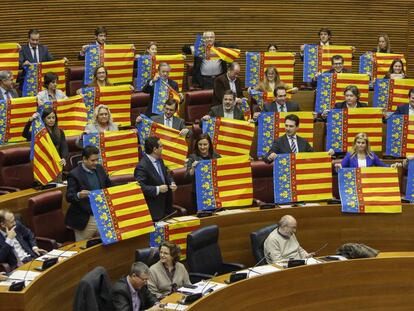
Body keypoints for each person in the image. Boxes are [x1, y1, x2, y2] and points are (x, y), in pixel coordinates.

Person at [65, 145, 112, 241]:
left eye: (97, 160)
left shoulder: (100, 169)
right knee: (84, 248)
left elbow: (109, 186)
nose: (95, 163)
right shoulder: (74, 174)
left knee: (106, 243)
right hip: (85, 217)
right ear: (84, 159)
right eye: (92, 160)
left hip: (101, 214)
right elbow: (69, 196)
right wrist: (79, 195)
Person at [134, 136, 177, 221]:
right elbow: (140, 187)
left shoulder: (160, 160)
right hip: (154, 211)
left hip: (167, 208)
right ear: (155, 149)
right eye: (161, 146)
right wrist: (157, 189)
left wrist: (172, 183)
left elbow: (166, 174)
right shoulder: (142, 166)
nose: (162, 148)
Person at [185, 133, 221, 208]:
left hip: (214, 192)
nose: (202, 147)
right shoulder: (192, 157)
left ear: (209, 145)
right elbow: (187, 178)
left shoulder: (216, 156)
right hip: (198, 194)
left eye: (205, 144)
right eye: (200, 144)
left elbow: (225, 169)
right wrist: (193, 169)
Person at [336, 133, 401, 169]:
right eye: (358, 142)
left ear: (366, 144)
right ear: (355, 143)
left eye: (363, 143)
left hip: (367, 184)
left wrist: (393, 165)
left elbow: (383, 166)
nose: (360, 145)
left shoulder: (372, 155)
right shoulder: (349, 155)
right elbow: (340, 168)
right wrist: (338, 167)